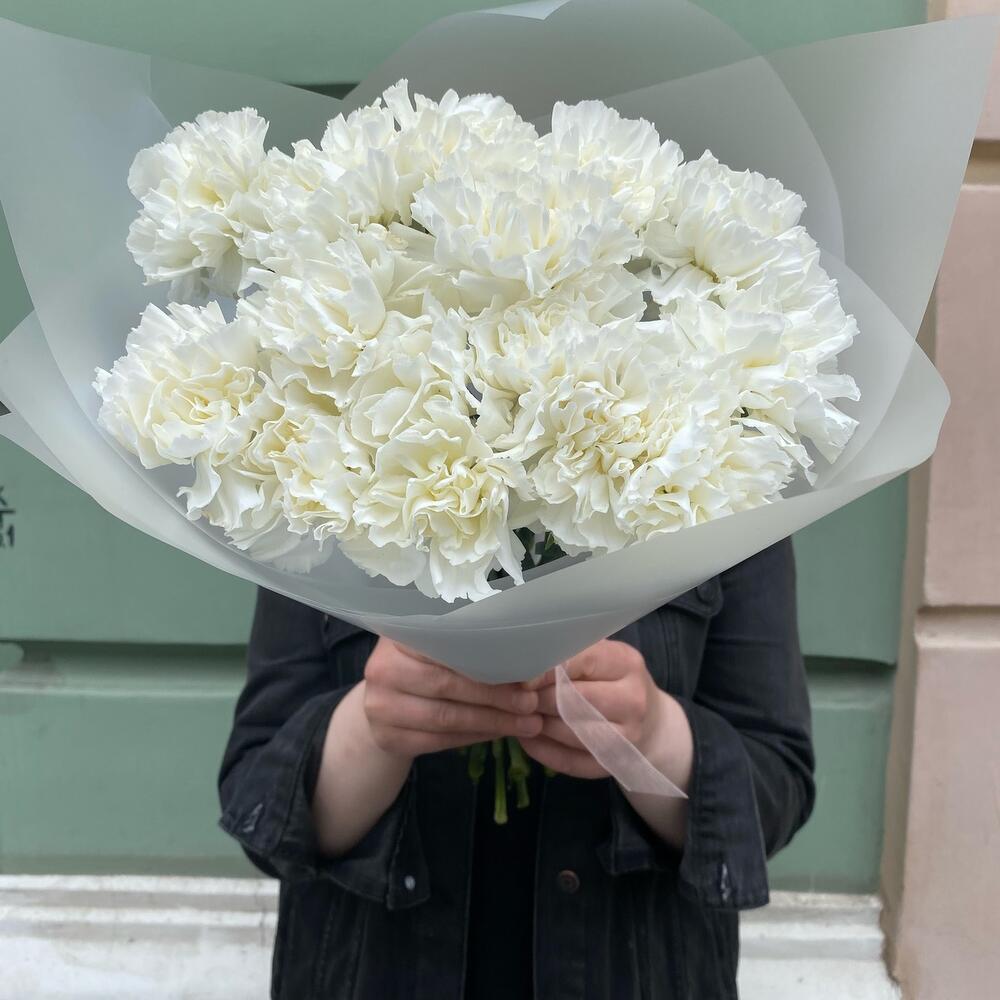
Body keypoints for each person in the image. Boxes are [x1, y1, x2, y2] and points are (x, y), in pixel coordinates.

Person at [218, 537, 814, 999]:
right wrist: (373, 729)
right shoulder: (320, 446)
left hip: (637, 971)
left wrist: (655, 737)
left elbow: (774, 789)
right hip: (370, 969)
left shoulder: (726, 448)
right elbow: (259, 803)